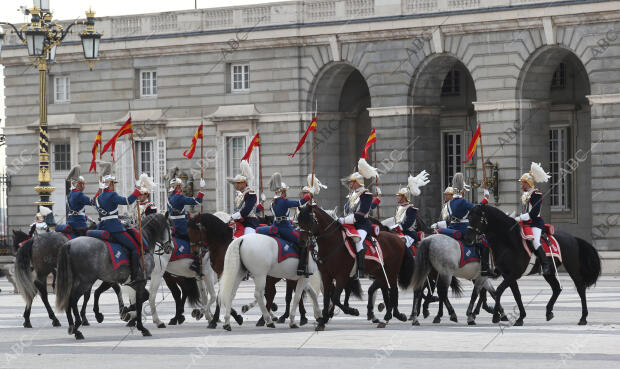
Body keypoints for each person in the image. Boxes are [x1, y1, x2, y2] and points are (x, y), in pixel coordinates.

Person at [434, 173, 494, 276]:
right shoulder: (462, 202)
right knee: (484, 242)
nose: (465, 192)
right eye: (464, 190)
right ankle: (485, 268)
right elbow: (477, 208)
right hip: (463, 229)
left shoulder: (449, 203)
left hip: (451, 227)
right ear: (462, 191)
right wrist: (486, 198)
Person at [93, 166, 144, 286]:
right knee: (134, 248)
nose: (113, 185)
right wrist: (136, 192)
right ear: (108, 185)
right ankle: (134, 275)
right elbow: (127, 201)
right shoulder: (112, 195)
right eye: (112, 183)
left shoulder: (98, 198)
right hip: (114, 228)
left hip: (102, 226)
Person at [257, 173, 312, 276]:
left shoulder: (273, 202)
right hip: (284, 228)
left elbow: (280, 216)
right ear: (282, 191)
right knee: (303, 242)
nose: (286, 193)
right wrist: (309, 195)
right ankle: (301, 267)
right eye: (285, 191)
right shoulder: (284, 201)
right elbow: (299, 203)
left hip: (275, 225)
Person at [338, 158, 381, 279]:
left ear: (357, 182)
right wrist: (343, 218)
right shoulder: (352, 195)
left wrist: (345, 220)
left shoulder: (366, 195)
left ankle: (361, 269)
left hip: (362, 225)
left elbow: (363, 212)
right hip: (350, 225)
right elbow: (347, 210)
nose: (350, 184)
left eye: (352, 182)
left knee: (358, 241)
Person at [516, 162, 552, 276]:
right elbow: (524, 210)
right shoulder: (525, 194)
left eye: (523, 183)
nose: (521, 185)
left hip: (535, 223)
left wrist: (520, 217)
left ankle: (545, 264)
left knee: (535, 242)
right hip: (525, 223)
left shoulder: (536, 194)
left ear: (528, 183)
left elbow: (533, 213)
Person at [167, 177, 206, 275]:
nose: (181, 188)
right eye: (180, 186)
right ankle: (196, 262)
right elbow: (197, 201)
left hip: (174, 225)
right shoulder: (179, 197)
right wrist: (201, 189)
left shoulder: (170, 197)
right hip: (182, 225)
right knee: (198, 236)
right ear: (176, 187)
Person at [391, 170, 430, 248]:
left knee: (403, 247)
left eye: (399, 196)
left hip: (409, 234)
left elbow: (408, 223)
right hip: (398, 233)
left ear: (404, 197)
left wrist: (399, 227)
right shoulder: (398, 208)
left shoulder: (411, 209)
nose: (397, 197)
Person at [229, 160, 260, 234]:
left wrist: (234, 216)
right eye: (236, 183)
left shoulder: (250, 193)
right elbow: (237, 209)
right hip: (239, 221)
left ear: (245, 183)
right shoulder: (239, 194)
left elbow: (247, 210)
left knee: (248, 236)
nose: (236, 185)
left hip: (250, 222)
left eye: (239, 183)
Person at [65, 166, 91, 236]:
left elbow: (76, 209)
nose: (83, 186)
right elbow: (93, 202)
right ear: (78, 184)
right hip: (79, 224)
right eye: (82, 184)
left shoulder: (70, 194)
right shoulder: (79, 195)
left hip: (70, 221)